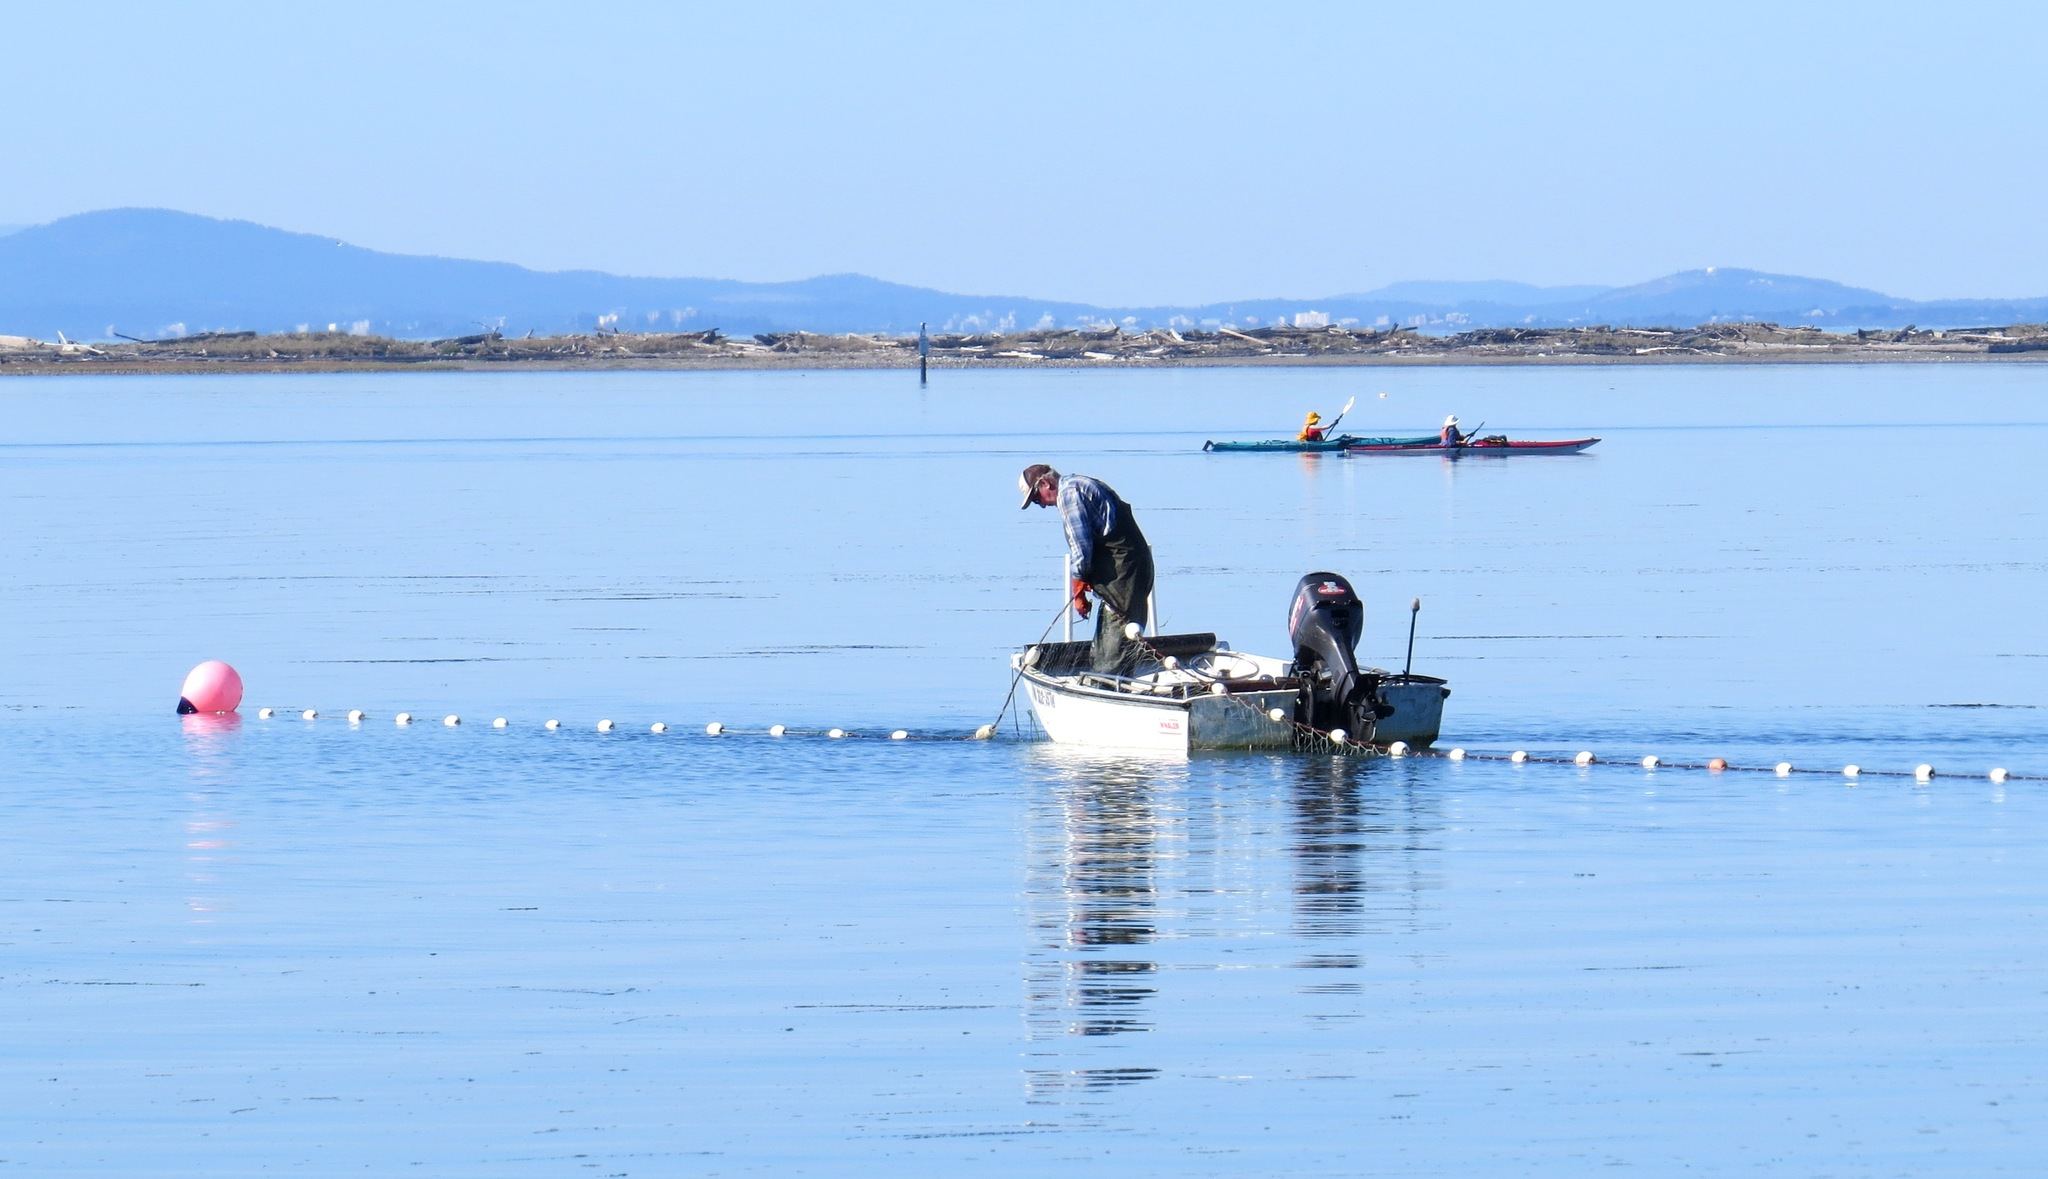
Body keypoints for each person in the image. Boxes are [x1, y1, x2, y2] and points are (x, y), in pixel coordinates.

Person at [1019, 463, 1155, 676]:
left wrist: (1078, 588)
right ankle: (1120, 685)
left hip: (1124, 575)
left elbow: (1080, 549)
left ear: (1045, 483)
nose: (1042, 505)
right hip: (1134, 569)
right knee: (1123, 639)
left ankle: (1110, 690)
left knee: (1111, 651)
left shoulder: (1069, 495)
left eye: (1037, 499)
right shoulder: (1080, 483)